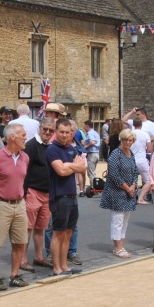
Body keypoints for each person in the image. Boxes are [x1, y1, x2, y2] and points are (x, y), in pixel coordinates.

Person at [0, 123, 30, 290]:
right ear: (12, 137)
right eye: (23, 135)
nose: (26, 138)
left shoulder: (25, 157)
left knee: (20, 242)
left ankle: (14, 275)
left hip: (20, 204)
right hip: (1, 204)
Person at [47, 118, 86, 276]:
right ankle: (56, 267)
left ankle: (64, 266)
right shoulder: (52, 150)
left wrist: (68, 165)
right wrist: (72, 166)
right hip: (59, 196)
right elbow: (61, 172)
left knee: (68, 232)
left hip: (72, 194)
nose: (64, 135)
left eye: (67, 132)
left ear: (72, 132)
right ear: (56, 131)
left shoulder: (71, 148)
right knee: (58, 233)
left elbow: (82, 167)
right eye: (61, 132)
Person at [101, 129, 139, 258]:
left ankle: (121, 245)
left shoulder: (131, 153)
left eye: (131, 140)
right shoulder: (115, 154)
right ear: (121, 140)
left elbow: (135, 171)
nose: (128, 142)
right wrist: (127, 188)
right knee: (117, 220)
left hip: (129, 191)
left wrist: (133, 185)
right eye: (126, 140)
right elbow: (114, 175)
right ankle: (117, 247)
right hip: (117, 191)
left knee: (125, 221)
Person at [23, 118, 55, 270]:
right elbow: (25, 171)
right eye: (45, 129)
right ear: (40, 129)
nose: (47, 132)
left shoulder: (51, 147)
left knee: (40, 227)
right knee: (28, 228)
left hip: (47, 193)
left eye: (51, 130)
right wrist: (24, 192)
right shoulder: (30, 145)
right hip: (33, 191)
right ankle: (22, 260)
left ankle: (38, 257)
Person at [82, 120, 101, 191]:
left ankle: (94, 189)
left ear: (87, 126)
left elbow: (92, 142)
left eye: (84, 126)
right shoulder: (95, 133)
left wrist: (86, 146)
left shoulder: (90, 133)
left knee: (91, 173)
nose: (84, 128)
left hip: (92, 154)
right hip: (96, 154)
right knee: (93, 172)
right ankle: (95, 187)